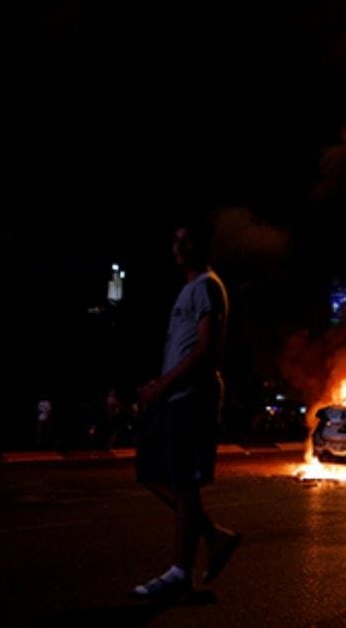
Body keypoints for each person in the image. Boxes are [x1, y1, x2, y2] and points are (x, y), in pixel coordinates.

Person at [130, 218, 241, 599]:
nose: (176, 247)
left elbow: (206, 351)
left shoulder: (208, 287)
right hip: (172, 398)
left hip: (191, 399)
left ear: (201, 246)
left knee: (183, 481)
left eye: (185, 240)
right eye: (174, 239)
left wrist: (162, 386)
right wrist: (157, 385)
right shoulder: (190, 290)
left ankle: (180, 574)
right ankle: (212, 535)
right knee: (150, 471)